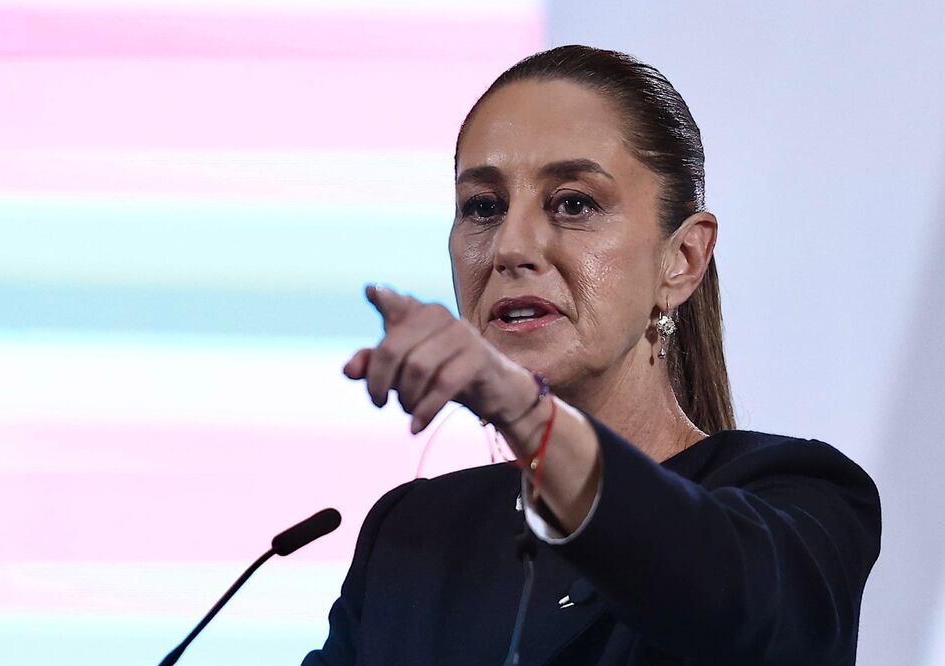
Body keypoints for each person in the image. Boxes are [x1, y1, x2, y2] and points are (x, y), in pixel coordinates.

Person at [302, 45, 881, 665]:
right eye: (483, 207)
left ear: (681, 259)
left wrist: (526, 415)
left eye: (573, 203)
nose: (510, 246)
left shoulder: (799, 497)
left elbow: (735, 611)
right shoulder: (412, 535)